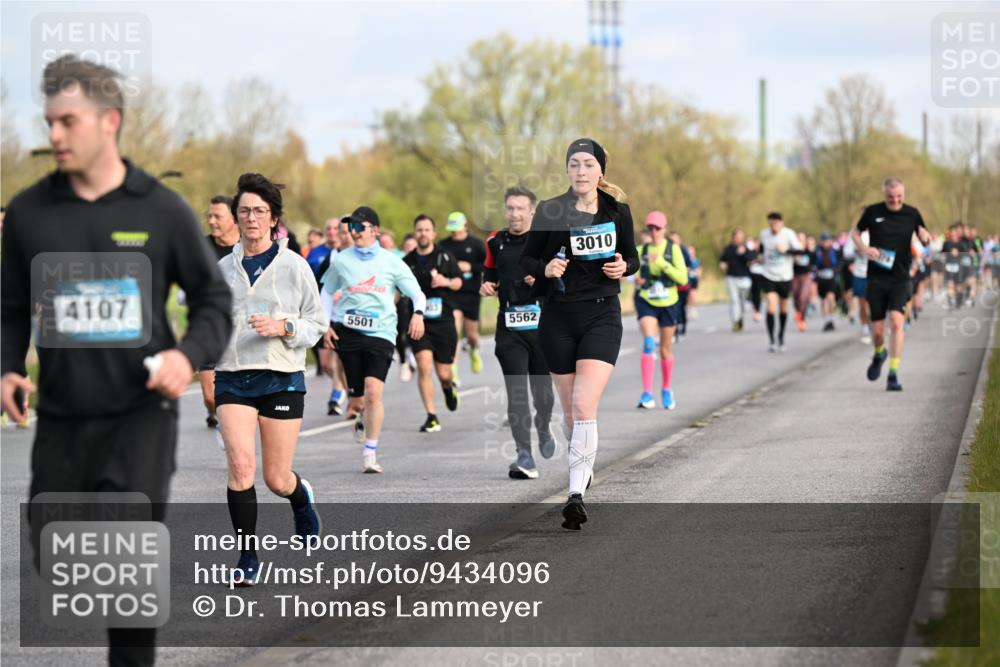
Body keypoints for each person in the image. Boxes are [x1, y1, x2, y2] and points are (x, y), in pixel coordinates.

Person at [0, 55, 233, 667]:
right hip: (63, 419)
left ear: (110, 121)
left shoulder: (161, 210)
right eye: (49, 122)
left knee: (126, 570)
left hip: (140, 417)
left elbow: (213, 302)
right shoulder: (28, 213)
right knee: (52, 549)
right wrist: (8, 366)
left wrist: (187, 354)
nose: (54, 135)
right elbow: (9, 309)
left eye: (68, 121)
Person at [520, 138, 639, 530]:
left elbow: (633, 258)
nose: (581, 171)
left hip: (601, 314)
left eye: (588, 164)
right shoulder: (551, 210)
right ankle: (581, 467)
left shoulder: (617, 211)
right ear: (567, 170)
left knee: (585, 405)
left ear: (600, 170)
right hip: (558, 317)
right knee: (572, 413)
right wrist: (545, 269)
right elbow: (527, 259)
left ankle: (574, 496)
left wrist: (623, 267)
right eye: (574, 164)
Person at [214, 172, 327, 583]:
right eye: (244, 210)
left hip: (281, 376)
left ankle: (300, 498)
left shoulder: (294, 267)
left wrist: (284, 327)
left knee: (276, 478)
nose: (251, 218)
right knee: (241, 467)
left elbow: (317, 324)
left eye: (259, 211)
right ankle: (248, 557)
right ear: (236, 216)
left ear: (273, 218)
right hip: (233, 377)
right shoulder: (222, 270)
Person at [321, 206, 427, 473]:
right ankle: (360, 415)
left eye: (359, 227)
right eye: (351, 228)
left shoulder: (392, 261)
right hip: (348, 332)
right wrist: (325, 325)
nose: (354, 232)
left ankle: (370, 453)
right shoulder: (341, 260)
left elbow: (417, 294)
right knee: (357, 401)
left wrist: (418, 315)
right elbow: (326, 292)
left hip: (382, 333)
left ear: (375, 230)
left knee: (373, 391)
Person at [481, 186, 556, 479]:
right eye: (510, 208)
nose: (514, 214)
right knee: (516, 392)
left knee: (543, 394)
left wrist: (542, 280)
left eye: (520, 209)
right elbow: (489, 273)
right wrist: (487, 285)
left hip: (542, 326)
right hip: (509, 327)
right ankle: (524, 454)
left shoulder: (546, 242)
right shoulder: (495, 241)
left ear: (532, 212)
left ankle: (544, 424)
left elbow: (561, 281)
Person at [852, 177, 931, 391]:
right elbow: (855, 234)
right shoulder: (872, 212)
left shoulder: (912, 213)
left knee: (897, 322)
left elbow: (924, 236)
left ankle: (893, 374)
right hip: (877, 278)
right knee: (878, 331)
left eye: (899, 197)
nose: (895, 201)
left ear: (903, 194)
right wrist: (865, 249)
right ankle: (879, 354)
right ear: (884, 194)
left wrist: (925, 237)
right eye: (890, 197)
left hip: (900, 278)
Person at [403, 215, 463, 432]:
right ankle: (431, 416)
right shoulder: (407, 262)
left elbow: (459, 282)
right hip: (418, 323)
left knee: (444, 374)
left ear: (434, 234)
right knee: (424, 366)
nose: (423, 234)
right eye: (419, 230)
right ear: (415, 233)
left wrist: (445, 281)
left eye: (427, 230)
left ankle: (448, 388)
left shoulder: (445, 257)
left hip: (443, 322)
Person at [633, 211, 688, 410]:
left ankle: (666, 388)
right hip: (647, 300)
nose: (654, 231)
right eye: (651, 228)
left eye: (657, 228)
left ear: (664, 229)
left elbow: (683, 278)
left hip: (669, 302)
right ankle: (647, 393)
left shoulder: (673, 250)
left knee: (665, 350)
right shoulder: (641, 250)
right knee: (649, 343)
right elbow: (630, 272)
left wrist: (662, 264)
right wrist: (635, 278)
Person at [199, 195, 241, 430]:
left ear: (233, 219)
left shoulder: (247, 246)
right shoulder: (201, 247)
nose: (212, 221)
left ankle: (232, 426)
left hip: (242, 328)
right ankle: (215, 413)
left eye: (218, 216)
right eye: (210, 216)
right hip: (210, 327)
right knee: (210, 397)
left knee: (234, 395)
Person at [439, 211, 487, 380]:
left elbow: (488, 266)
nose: (455, 233)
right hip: (451, 294)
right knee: (453, 332)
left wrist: (471, 267)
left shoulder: (476, 244)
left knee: (471, 334)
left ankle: (474, 349)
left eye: (458, 229)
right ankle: (453, 369)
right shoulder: (443, 245)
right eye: (452, 230)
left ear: (465, 226)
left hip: (471, 294)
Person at [759, 212, 802, 352]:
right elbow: (761, 249)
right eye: (771, 224)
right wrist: (759, 257)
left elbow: (800, 251)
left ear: (781, 223)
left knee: (783, 308)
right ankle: (771, 340)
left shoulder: (788, 234)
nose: (774, 227)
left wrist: (786, 250)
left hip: (785, 276)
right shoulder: (764, 234)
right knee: (771, 306)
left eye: (776, 224)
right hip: (768, 274)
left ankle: (781, 336)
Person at [720, 228, 755, 332]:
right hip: (731, 277)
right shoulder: (728, 248)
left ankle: (740, 319)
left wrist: (743, 254)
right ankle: (736, 321)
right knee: (734, 300)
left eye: (741, 237)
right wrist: (722, 264)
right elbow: (723, 259)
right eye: (737, 237)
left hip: (744, 278)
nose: (739, 239)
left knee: (742, 302)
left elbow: (752, 258)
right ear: (733, 237)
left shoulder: (746, 248)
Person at [396, 233, 418, 381]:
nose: (410, 249)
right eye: (407, 246)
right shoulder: (400, 263)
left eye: (412, 246)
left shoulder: (422, 261)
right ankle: (404, 360)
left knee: (412, 331)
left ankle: (412, 355)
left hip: (418, 302)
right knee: (400, 332)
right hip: (403, 300)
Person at [669, 231, 693, 340]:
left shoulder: (683, 250)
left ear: (679, 240)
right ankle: (675, 327)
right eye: (671, 240)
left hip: (682, 285)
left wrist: (680, 271)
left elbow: (689, 266)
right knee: (674, 307)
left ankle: (682, 323)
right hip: (671, 285)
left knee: (681, 307)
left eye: (675, 239)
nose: (674, 241)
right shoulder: (667, 251)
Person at [814, 232, 841, 332]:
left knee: (831, 297)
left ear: (830, 241)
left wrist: (836, 270)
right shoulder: (817, 251)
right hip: (821, 278)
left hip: (832, 278)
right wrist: (815, 271)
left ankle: (831, 318)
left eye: (827, 240)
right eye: (824, 240)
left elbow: (840, 263)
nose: (825, 243)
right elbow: (813, 264)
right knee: (824, 300)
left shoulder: (835, 251)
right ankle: (826, 320)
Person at [791, 233, 815, 332]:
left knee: (803, 297)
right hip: (794, 276)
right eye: (798, 239)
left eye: (802, 240)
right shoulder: (793, 251)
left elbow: (814, 263)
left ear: (805, 241)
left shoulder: (809, 251)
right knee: (796, 298)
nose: (800, 241)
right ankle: (798, 312)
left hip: (806, 276)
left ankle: (802, 320)